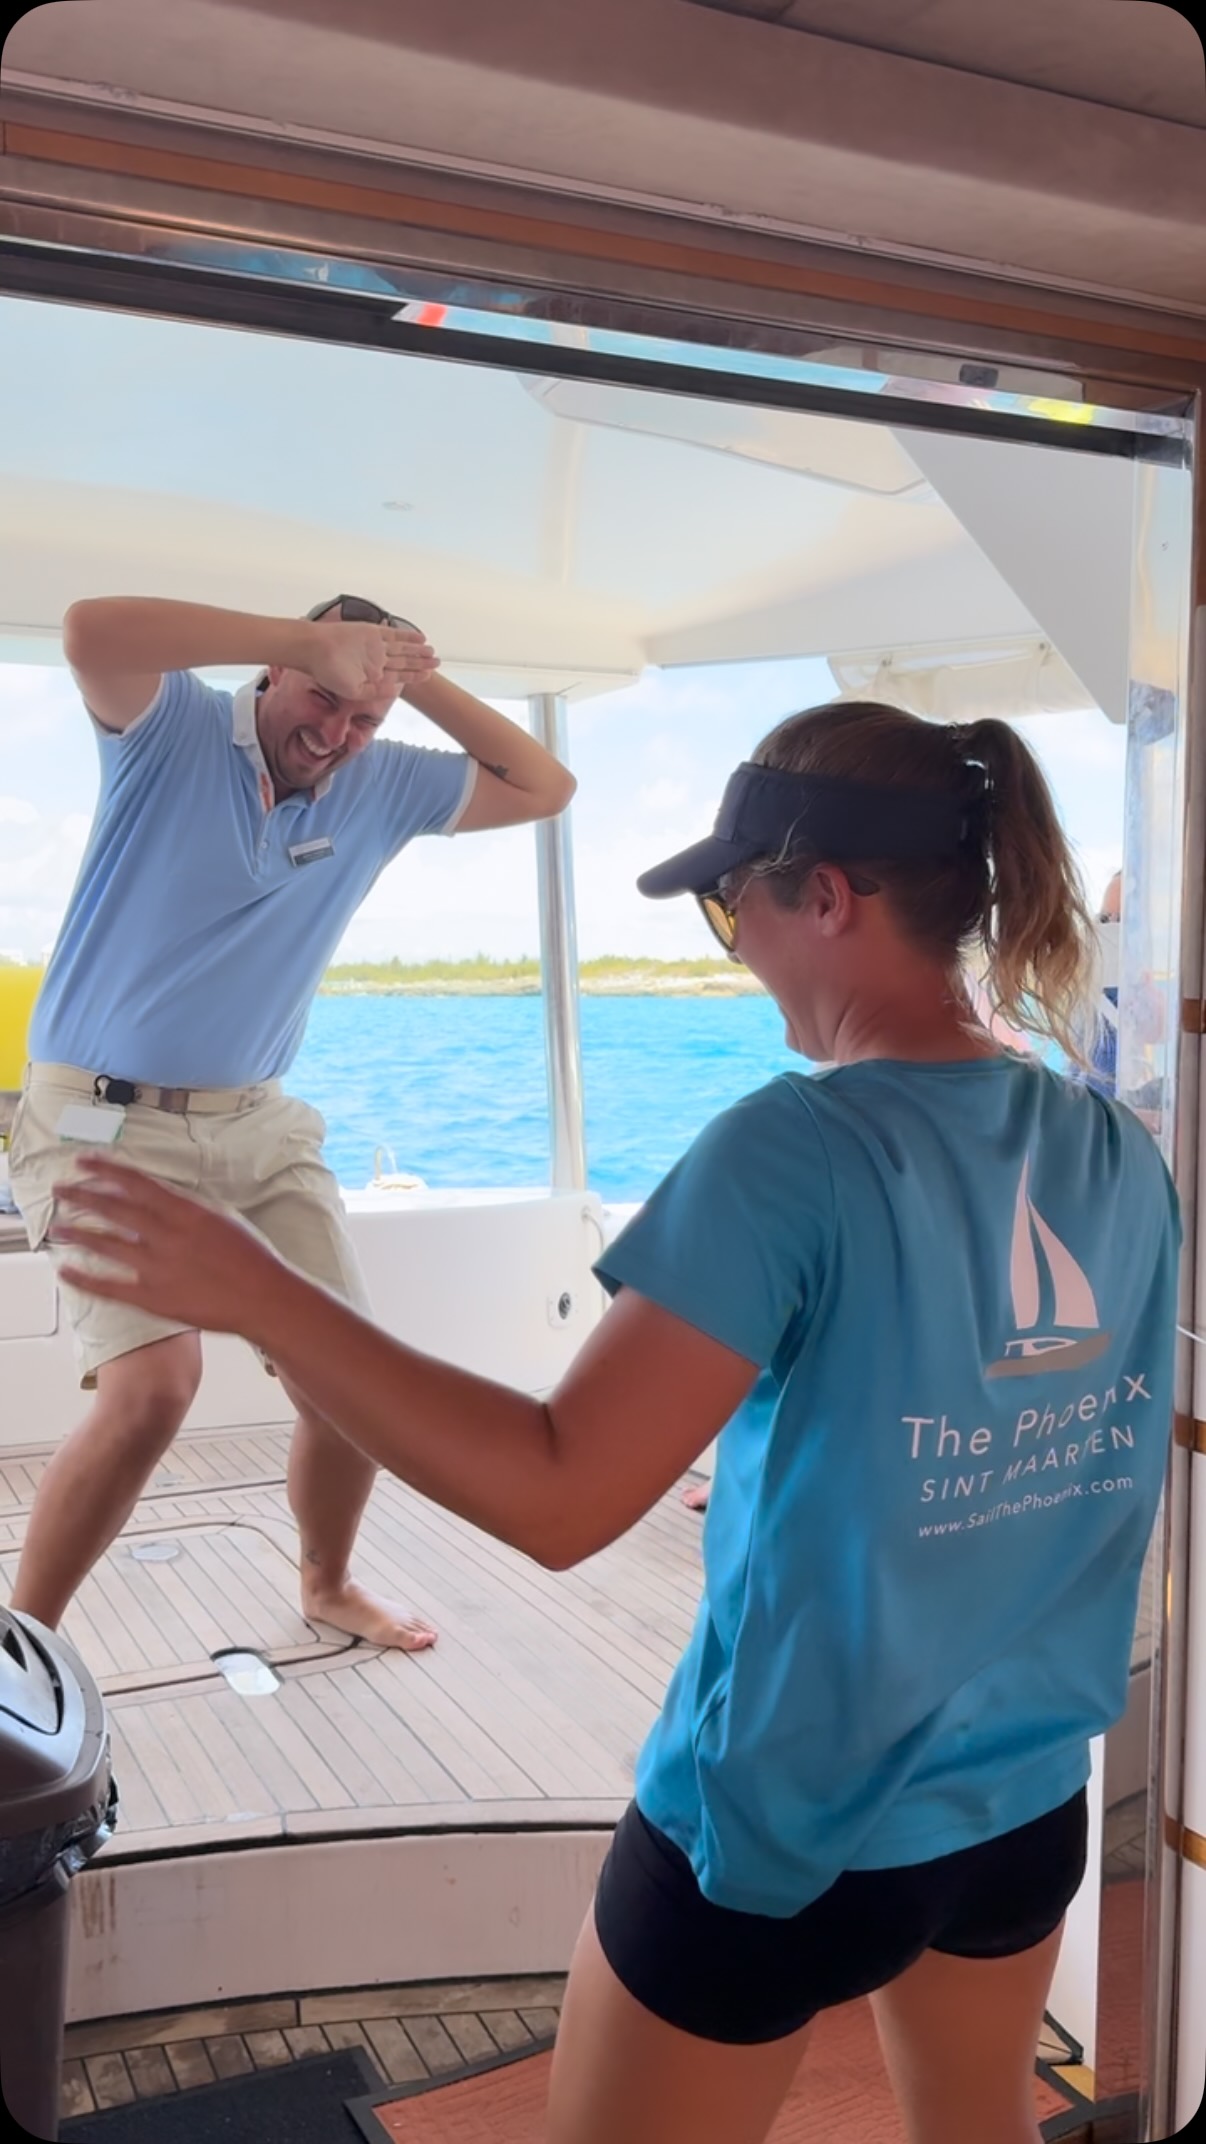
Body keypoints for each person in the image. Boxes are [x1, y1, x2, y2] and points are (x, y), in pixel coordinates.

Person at [56, 700, 1179, 2144]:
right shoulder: (1111, 1145)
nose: (740, 951)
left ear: (823, 897)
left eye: (733, 910)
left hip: (776, 1841)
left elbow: (561, 1497)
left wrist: (260, 1293)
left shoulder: (798, 1146)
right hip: (1021, 1814)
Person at [8, 592, 574, 1651]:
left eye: (364, 716)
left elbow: (546, 784)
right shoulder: (169, 728)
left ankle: (326, 1581)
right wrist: (306, 642)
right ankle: (20, 1646)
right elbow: (87, 628)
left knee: (349, 1377)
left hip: (261, 1129)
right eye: (323, 697)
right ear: (277, 670)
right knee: (153, 1387)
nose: (339, 732)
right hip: (97, 1121)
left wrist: (405, 672)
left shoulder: (383, 777)